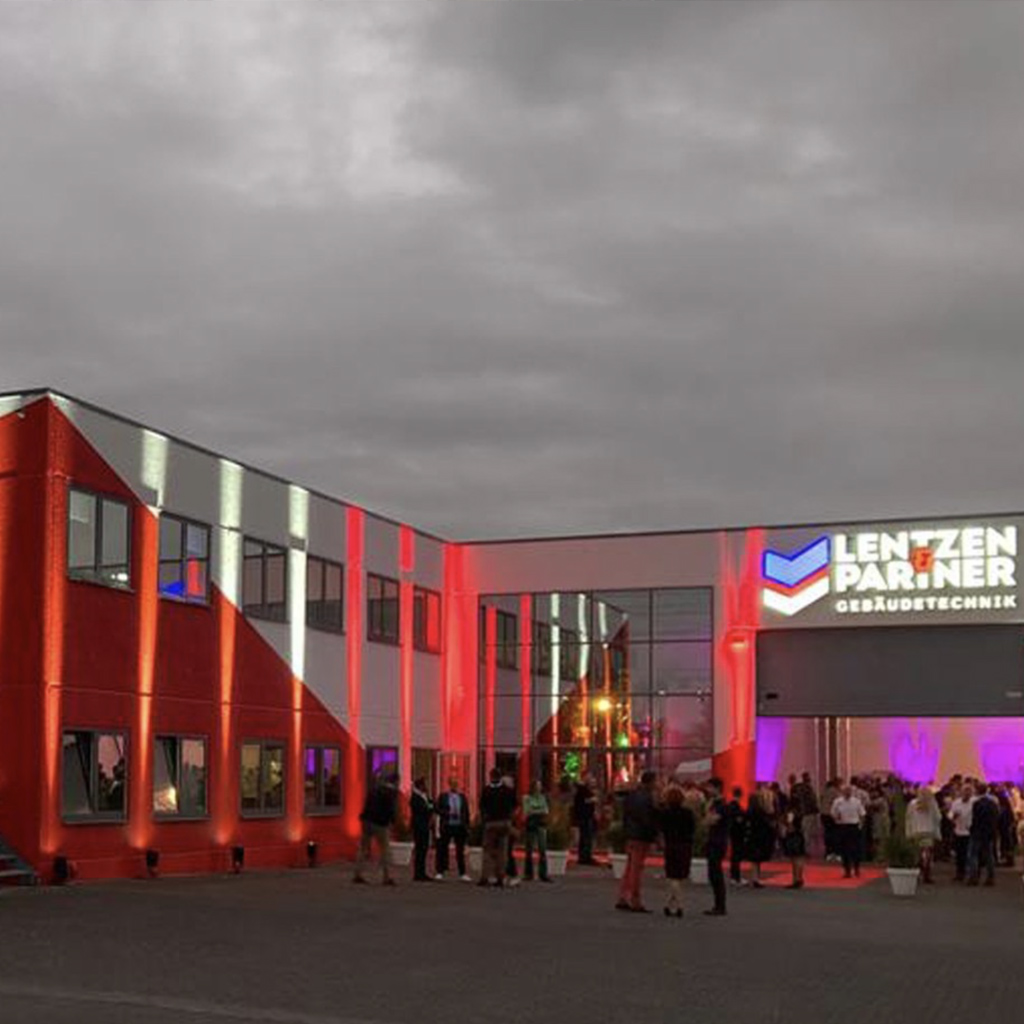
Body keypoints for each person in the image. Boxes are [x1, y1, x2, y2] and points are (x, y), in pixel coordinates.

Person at [615, 771, 658, 913]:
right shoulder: (647, 797)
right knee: (636, 869)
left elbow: (626, 815)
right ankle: (634, 899)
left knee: (630, 867)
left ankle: (623, 896)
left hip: (631, 834)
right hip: (641, 836)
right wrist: (653, 836)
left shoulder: (632, 795)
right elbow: (647, 819)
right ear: (651, 782)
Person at [657, 782, 696, 917]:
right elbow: (692, 829)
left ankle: (673, 904)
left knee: (672, 876)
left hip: (671, 845)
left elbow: (661, 829)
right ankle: (675, 905)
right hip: (685, 846)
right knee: (679, 876)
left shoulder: (665, 813)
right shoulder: (688, 813)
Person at [354, 771, 398, 885]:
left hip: (367, 820)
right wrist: (393, 822)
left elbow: (367, 804)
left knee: (363, 848)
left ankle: (358, 873)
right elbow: (391, 809)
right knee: (384, 850)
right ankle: (386, 876)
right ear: (395, 781)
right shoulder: (391, 792)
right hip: (380, 823)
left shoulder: (373, 789)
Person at [479, 768, 516, 887]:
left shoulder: (486, 790)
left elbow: (482, 807)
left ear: (491, 777)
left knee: (488, 851)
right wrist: (509, 818)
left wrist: (484, 818)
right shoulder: (507, 791)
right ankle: (500, 877)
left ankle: (485, 876)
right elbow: (514, 805)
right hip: (504, 822)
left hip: (490, 823)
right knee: (502, 851)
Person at [434, 776, 471, 881]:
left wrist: (467, 826)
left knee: (460, 850)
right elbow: (437, 809)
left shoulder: (462, 797)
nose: (454, 785)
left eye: (456, 783)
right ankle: (440, 871)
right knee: (442, 849)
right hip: (447, 825)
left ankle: (462, 873)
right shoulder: (443, 796)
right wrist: (447, 813)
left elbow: (466, 812)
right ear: (449, 784)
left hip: (459, 826)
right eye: (453, 783)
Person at [703, 777, 730, 917]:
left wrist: (708, 814)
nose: (708, 790)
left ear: (717, 788)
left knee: (716, 874)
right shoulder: (714, 803)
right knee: (713, 873)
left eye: (710, 787)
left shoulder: (722, 805)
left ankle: (720, 905)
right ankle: (717, 904)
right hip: (713, 840)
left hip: (718, 841)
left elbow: (710, 821)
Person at [905, 786, 942, 884]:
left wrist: (909, 832)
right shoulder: (932, 804)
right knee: (928, 854)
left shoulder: (912, 804)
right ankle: (926, 874)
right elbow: (938, 818)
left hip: (916, 831)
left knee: (918, 854)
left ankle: (917, 873)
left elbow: (908, 818)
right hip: (928, 831)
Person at [831, 783, 866, 879]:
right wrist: (837, 819)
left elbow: (862, 814)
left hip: (854, 826)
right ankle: (847, 870)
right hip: (843, 826)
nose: (847, 792)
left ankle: (857, 868)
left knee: (855, 849)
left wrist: (860, 825)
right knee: (844, 850)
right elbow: (833, 813)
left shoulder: (857, 802)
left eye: (849, 791)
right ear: (842, 792)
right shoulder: (838, 802)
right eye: (845, 791)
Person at [967, 783, 999, 887]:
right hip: (989, 833)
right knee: (989, 855)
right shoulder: (993, 803)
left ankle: (974, 877)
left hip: (977, 832)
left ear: (977, 791)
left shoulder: (976, 804)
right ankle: (990, 877)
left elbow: (975, 819)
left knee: (973, 854)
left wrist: (971, 829)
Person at [744, 785, 776, 888]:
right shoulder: (766, 809)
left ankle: (754, 878)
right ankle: (755, 879)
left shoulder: (752, 808)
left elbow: (748, 816)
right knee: (757, 858)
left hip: (754, 832)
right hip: (763, 834)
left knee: (754, 858)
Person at [522, 780, 551, 882]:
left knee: (542, 849)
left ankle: (543, 874)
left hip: (541, 824)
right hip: (531, 824)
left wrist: (534, 809)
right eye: (537, 786)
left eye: (540, 786)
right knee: (529, 850)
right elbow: (527, 811)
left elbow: (546, 810)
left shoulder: (542, 798)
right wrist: (539, 810)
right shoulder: (526, 798)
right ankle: (528, 874)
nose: (539, 788)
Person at [410, 776, 434, 882]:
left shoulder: (425, 796)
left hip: (425, 825)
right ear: (420, 786)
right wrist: (429, 808)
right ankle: (418, 873)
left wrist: (430, 807)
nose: (426, 786)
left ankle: (422, 872)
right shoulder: (415, 797)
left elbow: (432, 805)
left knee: (424, 849)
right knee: (420, 849)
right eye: (425, 784)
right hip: (419, 826)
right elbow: (423, 809)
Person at [948, 783, 974, 882]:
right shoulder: (956, 803)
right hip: (958, 831)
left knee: (969, 854)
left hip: (969, 832)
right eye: (965, 792)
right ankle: (959, 873)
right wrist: (953, 816)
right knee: (959, 854)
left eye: (968, 792)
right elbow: (950, 814)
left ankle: (969, 873)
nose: (966, 794)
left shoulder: (974, 802)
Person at [573, 775, 598, 865]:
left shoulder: (587, 791)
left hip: (588, 817)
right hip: (584, 817)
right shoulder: (583, 791)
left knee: (587, 837)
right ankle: (584, 857)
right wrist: (592, 800)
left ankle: (586, 855)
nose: (594, 784)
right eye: (592, 782)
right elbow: (581, 803)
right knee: (585, 837)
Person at [781, 807, 806, 889]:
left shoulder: (791, 814)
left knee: (795, 858)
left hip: (794, 837)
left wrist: (786, 830)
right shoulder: (801, 812)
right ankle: (799, 878)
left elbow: (790, 826)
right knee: (800, 857)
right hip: (799, 835)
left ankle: (796, 879)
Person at [727, 786, 747, 885]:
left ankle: (734, 876)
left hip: (732, 832)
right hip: (737, 833)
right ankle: (736, 877)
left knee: (734, 855)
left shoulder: (730, 805)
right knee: (736, 855)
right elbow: (739, 819)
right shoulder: (736, 807)